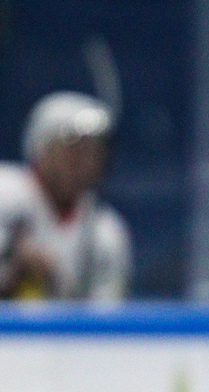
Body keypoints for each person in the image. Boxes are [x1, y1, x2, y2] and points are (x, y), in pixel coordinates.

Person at [0, 91, 131, 302]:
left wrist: (58, 282)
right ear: (42, 148)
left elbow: (105, 310)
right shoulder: (5, 191)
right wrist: (12, 256)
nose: (85, 162)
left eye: (94, 153)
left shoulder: (105, 232)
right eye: (73, 150)